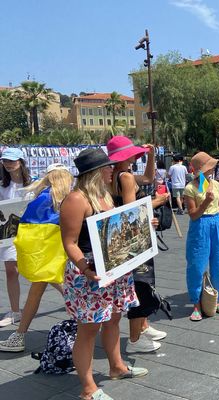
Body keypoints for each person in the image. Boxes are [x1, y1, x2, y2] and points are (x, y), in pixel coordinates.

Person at [61, 148, 147, 400]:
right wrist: (85, 269)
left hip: (111, 268)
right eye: (108, 167)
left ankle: (116, 366)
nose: (113, 169)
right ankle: (88, 389)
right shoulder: (77, 199)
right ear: (94, 172)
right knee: (88, 329)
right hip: (88, 272)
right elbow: (69, 242)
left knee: (113, 319)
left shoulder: (104, 196)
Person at [107, 136, 170, 354]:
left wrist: (151, 156)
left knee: (140, 283)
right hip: (135, 237)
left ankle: (142, 327)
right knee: (142, 283)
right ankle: (135, 337)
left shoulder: (117, 175)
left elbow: (147, 177)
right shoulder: (124, 176)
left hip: (130, 236)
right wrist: (157, 202)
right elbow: (130, 210)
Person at [0, 164, 71, 352]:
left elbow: (26, 229)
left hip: (50, 256)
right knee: (46, 290)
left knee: (52, 291)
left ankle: (20, 336)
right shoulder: (72, 198)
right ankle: (19, 335)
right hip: (68, 255)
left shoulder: (43, 198)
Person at [184, 152, 219, 321]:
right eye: (209, 166)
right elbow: (193, 215)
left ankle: (217, 300)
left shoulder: (216, 184)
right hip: (200, 225)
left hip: (217, 223)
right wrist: (205, 201)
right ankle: (196, 303)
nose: (212, 169)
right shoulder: (190, 188)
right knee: (196, 265)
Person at [0, 148, 31, 327]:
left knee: (42, 272)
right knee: (11, 271)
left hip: (30, 231)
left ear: (21, 161)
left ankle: (69, 301)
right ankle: (15, 311)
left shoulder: (34, 184)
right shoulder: (2, 187)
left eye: (11, 160)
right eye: (5, 161)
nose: (8, 164)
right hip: (9, 233)